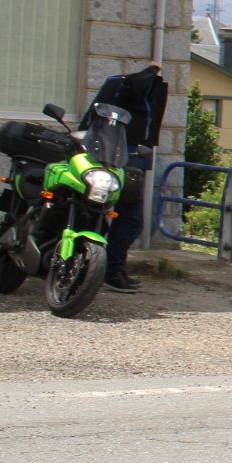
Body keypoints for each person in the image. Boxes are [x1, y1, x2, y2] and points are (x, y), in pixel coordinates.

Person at [83, 64, 168, 292]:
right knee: (131, 220)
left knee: (104, 217)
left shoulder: (115, 89)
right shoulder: (132, 92)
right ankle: (110, 270)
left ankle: (102, 268)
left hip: (110, 161)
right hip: (126, 164)